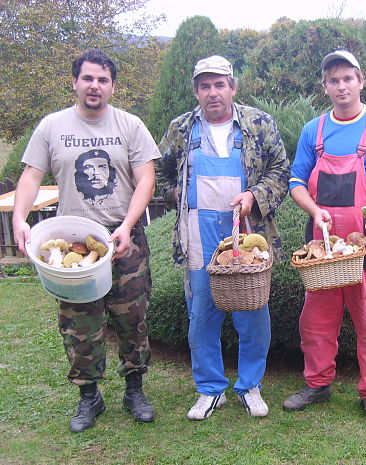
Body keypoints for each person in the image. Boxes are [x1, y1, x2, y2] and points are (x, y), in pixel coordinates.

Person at [12, 49, 160, 433]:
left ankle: (135, 391)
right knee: (80, 323)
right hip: (73, 244)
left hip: (124, 236)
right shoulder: (52, 126)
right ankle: (89, 398)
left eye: (103, 79)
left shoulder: (130, 125)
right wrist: (18, 218)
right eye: (88, 78)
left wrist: (127, 225)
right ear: (75, 82)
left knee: (133, 319)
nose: (95, 86)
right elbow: (30, 176)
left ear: (113, 86)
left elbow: (146, 179)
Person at [156, 55, 290, 420]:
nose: (212, 92)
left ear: (233, 87)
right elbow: (159, 171)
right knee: (201, 317)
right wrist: (177, 196)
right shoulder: (181, 129)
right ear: (196, 91)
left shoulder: (258, 124)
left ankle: (250, 386)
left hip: (247, 235)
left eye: (219, 84)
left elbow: (281, 170)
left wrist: (254, 197)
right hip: (198, 235)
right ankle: (210, 389)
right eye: (204, 86)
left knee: (253, 314)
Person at [284, 50, 366, 421]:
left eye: (347, 78)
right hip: (322, 241)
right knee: (316, 321)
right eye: (333, 80)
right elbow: (296, 182)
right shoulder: (314, 130)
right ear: (325, 86)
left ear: (361, 80)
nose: (341, 86)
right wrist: (314, 210)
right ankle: (317, 384)